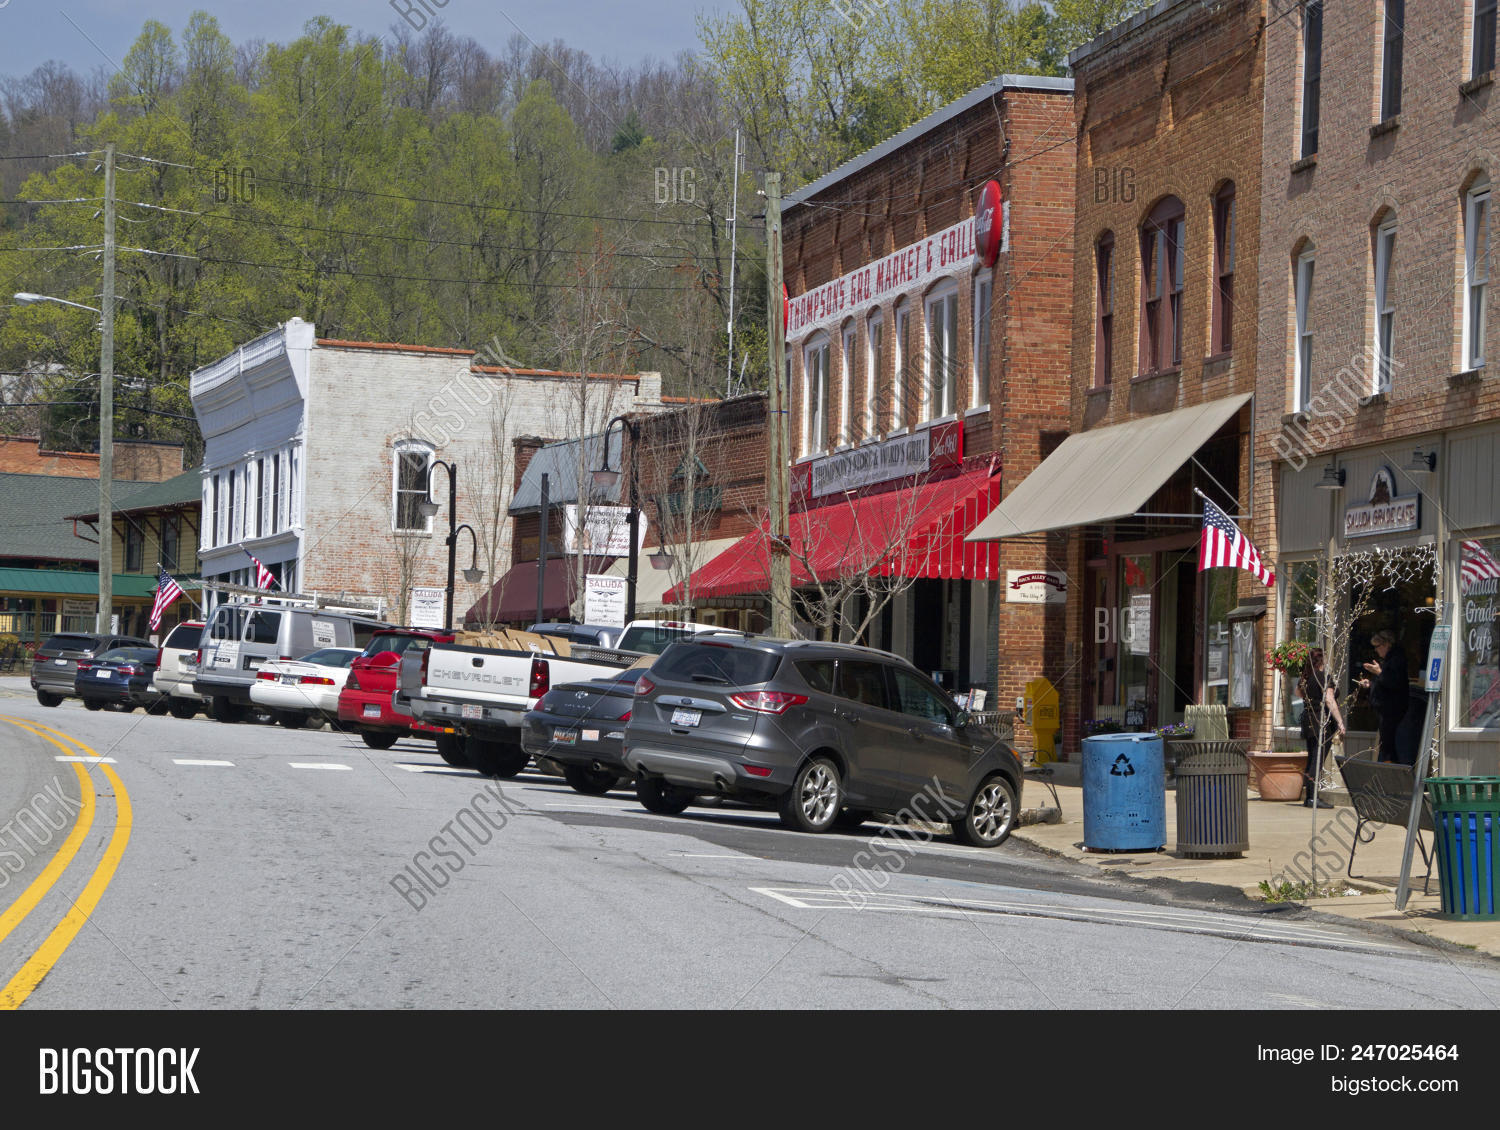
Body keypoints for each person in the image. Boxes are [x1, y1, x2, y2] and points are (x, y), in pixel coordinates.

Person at [1297, 647, 1345, 807]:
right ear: (1321, 661)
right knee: (1318, 760)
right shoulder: (1323, 677)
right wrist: (1340, 721)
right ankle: (1312, 798)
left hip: (1308, 719)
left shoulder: (1305, 678)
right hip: (1321, 721)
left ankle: (1309, 796)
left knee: (1312, 758)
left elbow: (1299, 693)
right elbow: (1330, 700)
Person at [1356, 629, 1409, 763]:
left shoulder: (1396, 660)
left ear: (1386, 644)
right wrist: (1371, 684)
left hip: (1392, 710)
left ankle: (1391, 771)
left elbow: (1394, 683)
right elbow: (1385, 683)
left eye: (1377, 647)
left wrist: (1379, 672)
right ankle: (1389, 768)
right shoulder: (1389, 660)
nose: (1376, 650)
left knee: (1389, 746)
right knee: (1386, 745)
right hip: (1386, 710)